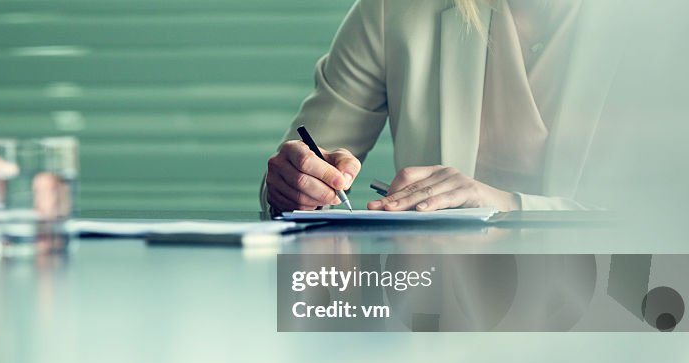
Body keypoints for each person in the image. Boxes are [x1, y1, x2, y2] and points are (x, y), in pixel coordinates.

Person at [262, 0, 650, 216]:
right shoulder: (390, 11)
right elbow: (297, 173)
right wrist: (296, 184)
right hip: (440, 310)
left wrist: (508, 206)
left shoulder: (662, 22)